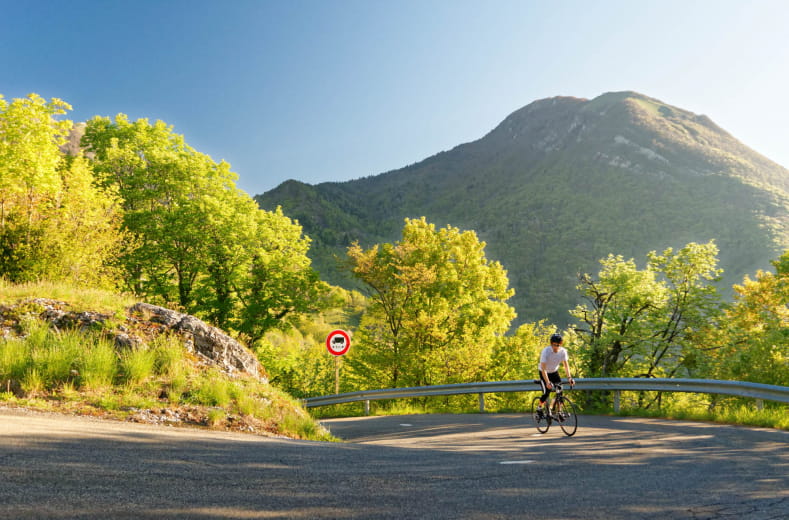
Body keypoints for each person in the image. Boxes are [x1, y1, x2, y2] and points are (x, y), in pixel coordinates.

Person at [536, 333, 574, 416]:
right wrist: (547, 382)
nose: (556, 347)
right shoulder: (546, 351)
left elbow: (566, 366)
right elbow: (543, 369)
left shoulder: (563, 351)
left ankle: (559, 411)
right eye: (554, 345)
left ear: (561, 344)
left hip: (554, 372)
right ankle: (539, 407)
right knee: (547, 392)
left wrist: (569, 378)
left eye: (558, 345)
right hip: (544, 372)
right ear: (551, 344)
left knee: (560, 391)